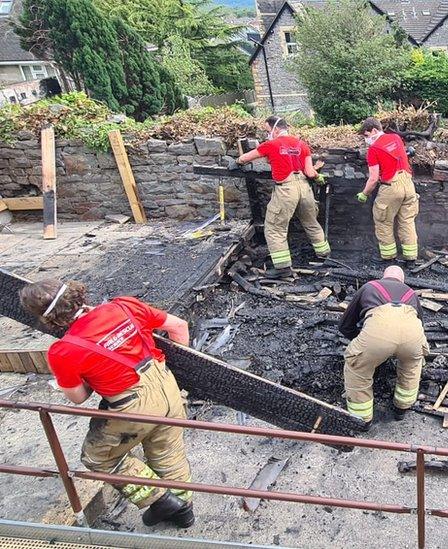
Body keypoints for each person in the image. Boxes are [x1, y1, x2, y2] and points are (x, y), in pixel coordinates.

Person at [19, 279, 196, 528]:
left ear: (49, 319)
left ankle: (160, 500)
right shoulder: (124, 306)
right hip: (167, 383)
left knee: (98, 458)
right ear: (75, 293)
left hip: (132, 403)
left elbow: (78, 397)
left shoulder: (63, 351)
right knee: (168, 451)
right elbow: (179, 326)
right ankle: (184, 512)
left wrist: (95, 373)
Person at [237, 116, 330, 278]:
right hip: (304, 188)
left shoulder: (271, 144)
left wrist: (236, 161)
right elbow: (309, 172)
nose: (267, 135)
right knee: (311, 222)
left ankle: (282, 268)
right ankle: (324, 255)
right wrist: (319, 178)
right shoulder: (302, 144)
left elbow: (245, 158)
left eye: (267, 131)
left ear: (276, 129)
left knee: (274, 228)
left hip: (286, 190)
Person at [338, 266, 427, 425]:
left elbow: (345, 325)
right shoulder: (411, 293)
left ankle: (362, 421)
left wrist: (364, 345)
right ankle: (401, 409)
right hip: (413, 335)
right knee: (411, 365)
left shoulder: (370, 286)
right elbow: (420, 323)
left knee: (357, 367)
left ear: (383, 276)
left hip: (378, 333)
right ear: (402, 280)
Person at [358, 117, 420, 262]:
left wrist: (364, 194)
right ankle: (411, 258)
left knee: (383, 221)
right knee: (407, 221)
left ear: (374, 130)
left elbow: (373, 179)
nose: (366, 140)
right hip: (408, 184)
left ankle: (388, 257)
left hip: (391, 187)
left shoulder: (373, 149)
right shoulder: (396, 138)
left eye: (366, 136)